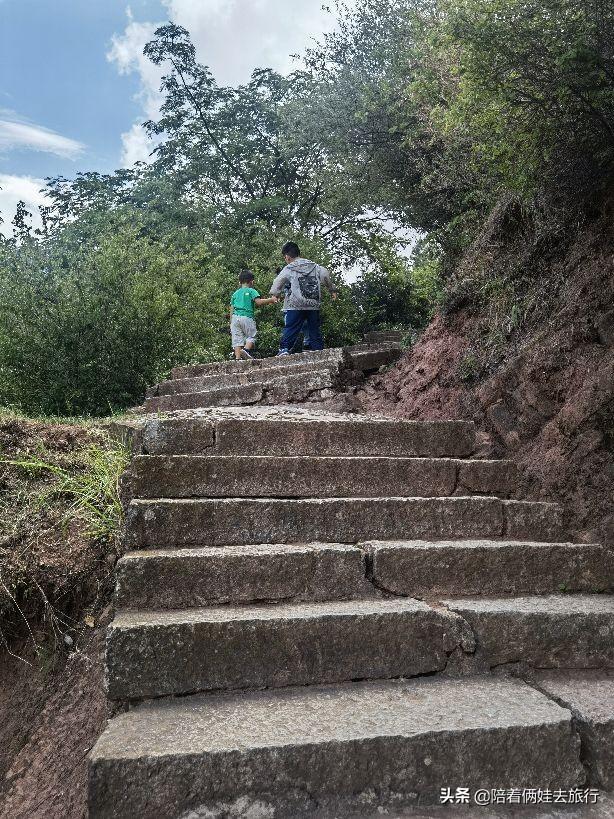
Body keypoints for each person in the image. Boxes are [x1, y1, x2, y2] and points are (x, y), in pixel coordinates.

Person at [270, 242, 337, 356]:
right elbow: (325, 274)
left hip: (296, 304)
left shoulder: (289, 268)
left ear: (287, 256)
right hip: (313, 303)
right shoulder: (315, 266)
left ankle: (284, 349)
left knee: (291, 327)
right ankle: (318, 350)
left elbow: (279, 280)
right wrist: (332, 290)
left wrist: (275, 294)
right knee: (314, 329)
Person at [229, 270, 277, 360]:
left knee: (237, 339)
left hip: (235, 318)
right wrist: (271, 300)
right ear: (251, 281)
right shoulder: (252, 291)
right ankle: (246, 350)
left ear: (239, 282)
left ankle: (238, 358)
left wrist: (231, 322)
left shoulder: (235, 293)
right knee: (251, 336)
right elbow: (258, 302)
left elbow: (231, 308)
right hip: (247, 317)